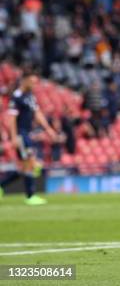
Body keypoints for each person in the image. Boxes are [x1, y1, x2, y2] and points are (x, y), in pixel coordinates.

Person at [0, 69, 57, 205]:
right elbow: (11, 118)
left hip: (27, 134)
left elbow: (37, 112)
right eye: (32, 82)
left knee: (25, 166)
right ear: (24, 80)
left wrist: (48, 129)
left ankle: (2, 185)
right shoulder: (17, 96)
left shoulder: (30, 95)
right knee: (30, 164)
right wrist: (14, 137)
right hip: (20, 135)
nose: (34, 84)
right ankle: (30, 196)